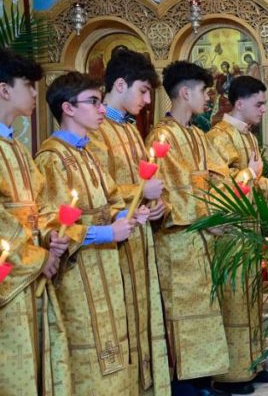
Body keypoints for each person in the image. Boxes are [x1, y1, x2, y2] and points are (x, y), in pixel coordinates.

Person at [35, 72, 154, 394]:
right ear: (68, 108)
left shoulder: (86, 152)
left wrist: (128, 214)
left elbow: (112, 197)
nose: (102, 110)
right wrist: (104, 232)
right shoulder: (52, 157)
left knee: (115, 343)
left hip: (107, 267)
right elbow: (49, 222)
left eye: (101, 102)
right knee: (89, 348)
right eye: (93, 102)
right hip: (79, 273)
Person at [86, 47, 172, 395]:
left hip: (137, 237)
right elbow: (94, 191)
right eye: (143, 90)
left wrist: (156, 206)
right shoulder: (95, 129)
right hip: (112, 243)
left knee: (140, 319)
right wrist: (140, 191)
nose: (148, 100)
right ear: (119, 84)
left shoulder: (130, 129)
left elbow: (143, 188)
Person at [148, 61, 232, 395]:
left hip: (203, 235)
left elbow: (219, 175)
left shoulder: (198, 134)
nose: (209, 99)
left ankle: (203, 381)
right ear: (185, 92)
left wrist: (223, 210)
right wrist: (211, 216)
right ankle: (184, 384)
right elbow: (172, 191)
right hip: (178, 240)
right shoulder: (161, 136)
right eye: (203, 92)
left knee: (206, 310)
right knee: (182, 313)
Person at [0, 48, 72, 395]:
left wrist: (52, 235)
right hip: (9, 278)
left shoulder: (15, 147)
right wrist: (37, 256)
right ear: (4, 90)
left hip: (29, 274)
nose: (34, 94)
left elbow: (39, 206)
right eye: (28, 85)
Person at [205, 75, 268, 393]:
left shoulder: (248, 137)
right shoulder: (218, 137)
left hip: (248, 229)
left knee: (251, 299)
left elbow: (250, 180)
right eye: (259, 103)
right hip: (229, 232)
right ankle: (232, 374)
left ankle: (253, 364)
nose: (264, 110)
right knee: (234, 300)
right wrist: (253, 174)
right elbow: (221, 186)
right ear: (239, 103)